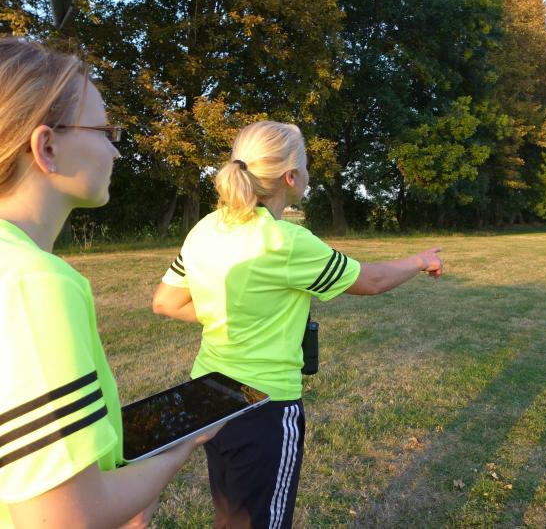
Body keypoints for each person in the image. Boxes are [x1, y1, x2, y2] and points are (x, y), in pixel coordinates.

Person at [152, 120, 444, 528]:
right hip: (264, 406)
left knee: (231, 514)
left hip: (209, 396)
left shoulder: (207, 227)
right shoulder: (285, 241)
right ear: (291, 177)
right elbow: (372, 281)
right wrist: (420, 260)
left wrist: (235, 314)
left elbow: (166, 302)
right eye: (306, 166)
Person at [0, 37, 216, 528]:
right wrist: (176, 450)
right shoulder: (32, 284)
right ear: (47, 147)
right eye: (104, 130)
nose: (115, 151)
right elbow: (66, 518)